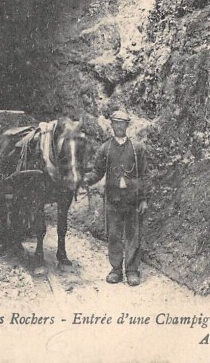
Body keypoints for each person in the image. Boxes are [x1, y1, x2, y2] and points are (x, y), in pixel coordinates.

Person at [83, 109, 149, 286]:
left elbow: (144, 174)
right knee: (113, 235)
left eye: (122, 123)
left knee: (133, 235)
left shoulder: (137, 148)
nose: (119, 126)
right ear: (111, 125)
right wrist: (86, 180)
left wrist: (143, 199)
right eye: (116, 123)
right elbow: (97, 171)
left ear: (127, 126)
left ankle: (132, 270)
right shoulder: (105, 148)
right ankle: (116, 269)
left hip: (132, 199)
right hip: (113, 199)